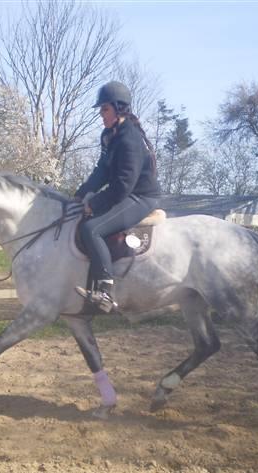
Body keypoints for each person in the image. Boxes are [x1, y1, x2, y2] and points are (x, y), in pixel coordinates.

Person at [74, 81, 161, 312]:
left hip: (141, 197)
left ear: (118, 108)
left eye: (105, 109)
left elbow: (123, 185)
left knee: (91, 229)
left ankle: (104, 292)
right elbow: (101, 171)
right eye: (101, 110)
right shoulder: (109, 134)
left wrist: (95, 203)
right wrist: (80, 195)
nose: (101, 115)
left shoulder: (129, 138)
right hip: (126, 192)